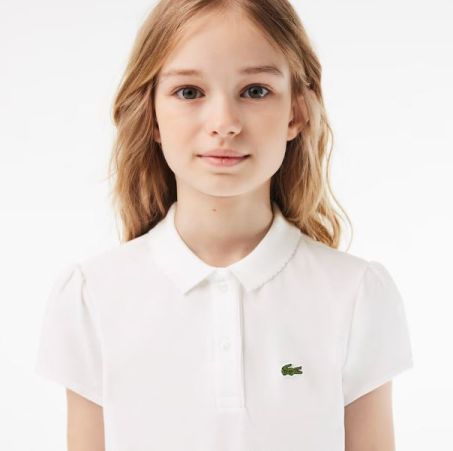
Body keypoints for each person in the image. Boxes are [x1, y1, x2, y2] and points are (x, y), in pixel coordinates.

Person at [34, 0, 414, 450]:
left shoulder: (356, 294)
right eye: (189, 92)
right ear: (151, 114)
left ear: (296, 112)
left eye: (255, 91)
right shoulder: (91, 296)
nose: (224, 124)